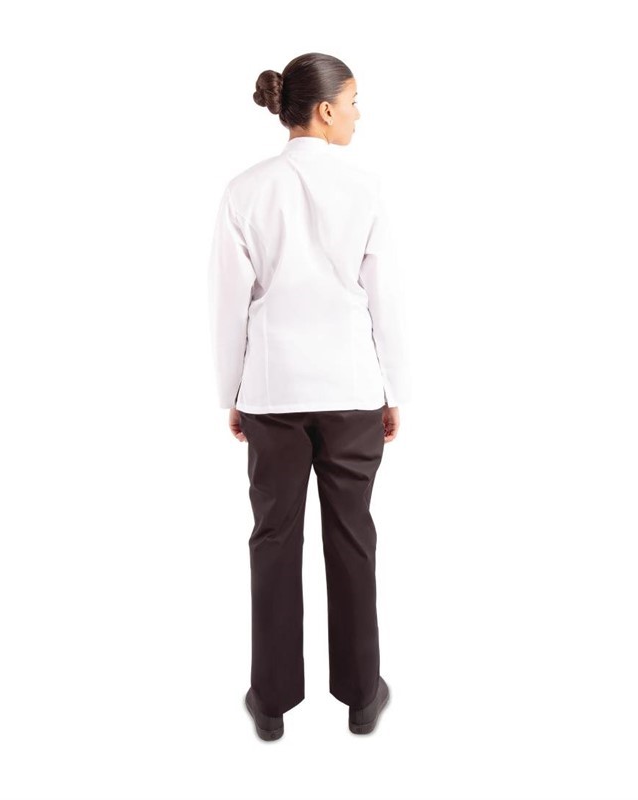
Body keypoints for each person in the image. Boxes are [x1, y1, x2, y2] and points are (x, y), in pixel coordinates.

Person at [207, 52, 411, 741]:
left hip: (272, 390)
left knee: (273, 538)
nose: (358, 114)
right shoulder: (365, 189)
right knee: (352, 537)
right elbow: (386, 300)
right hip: (352, 389)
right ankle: (361, 695)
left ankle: (271, 702)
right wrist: (394, 389)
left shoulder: (245, 190)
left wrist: (231, 391)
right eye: (352, 102)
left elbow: (228, 303)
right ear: (324, 111)